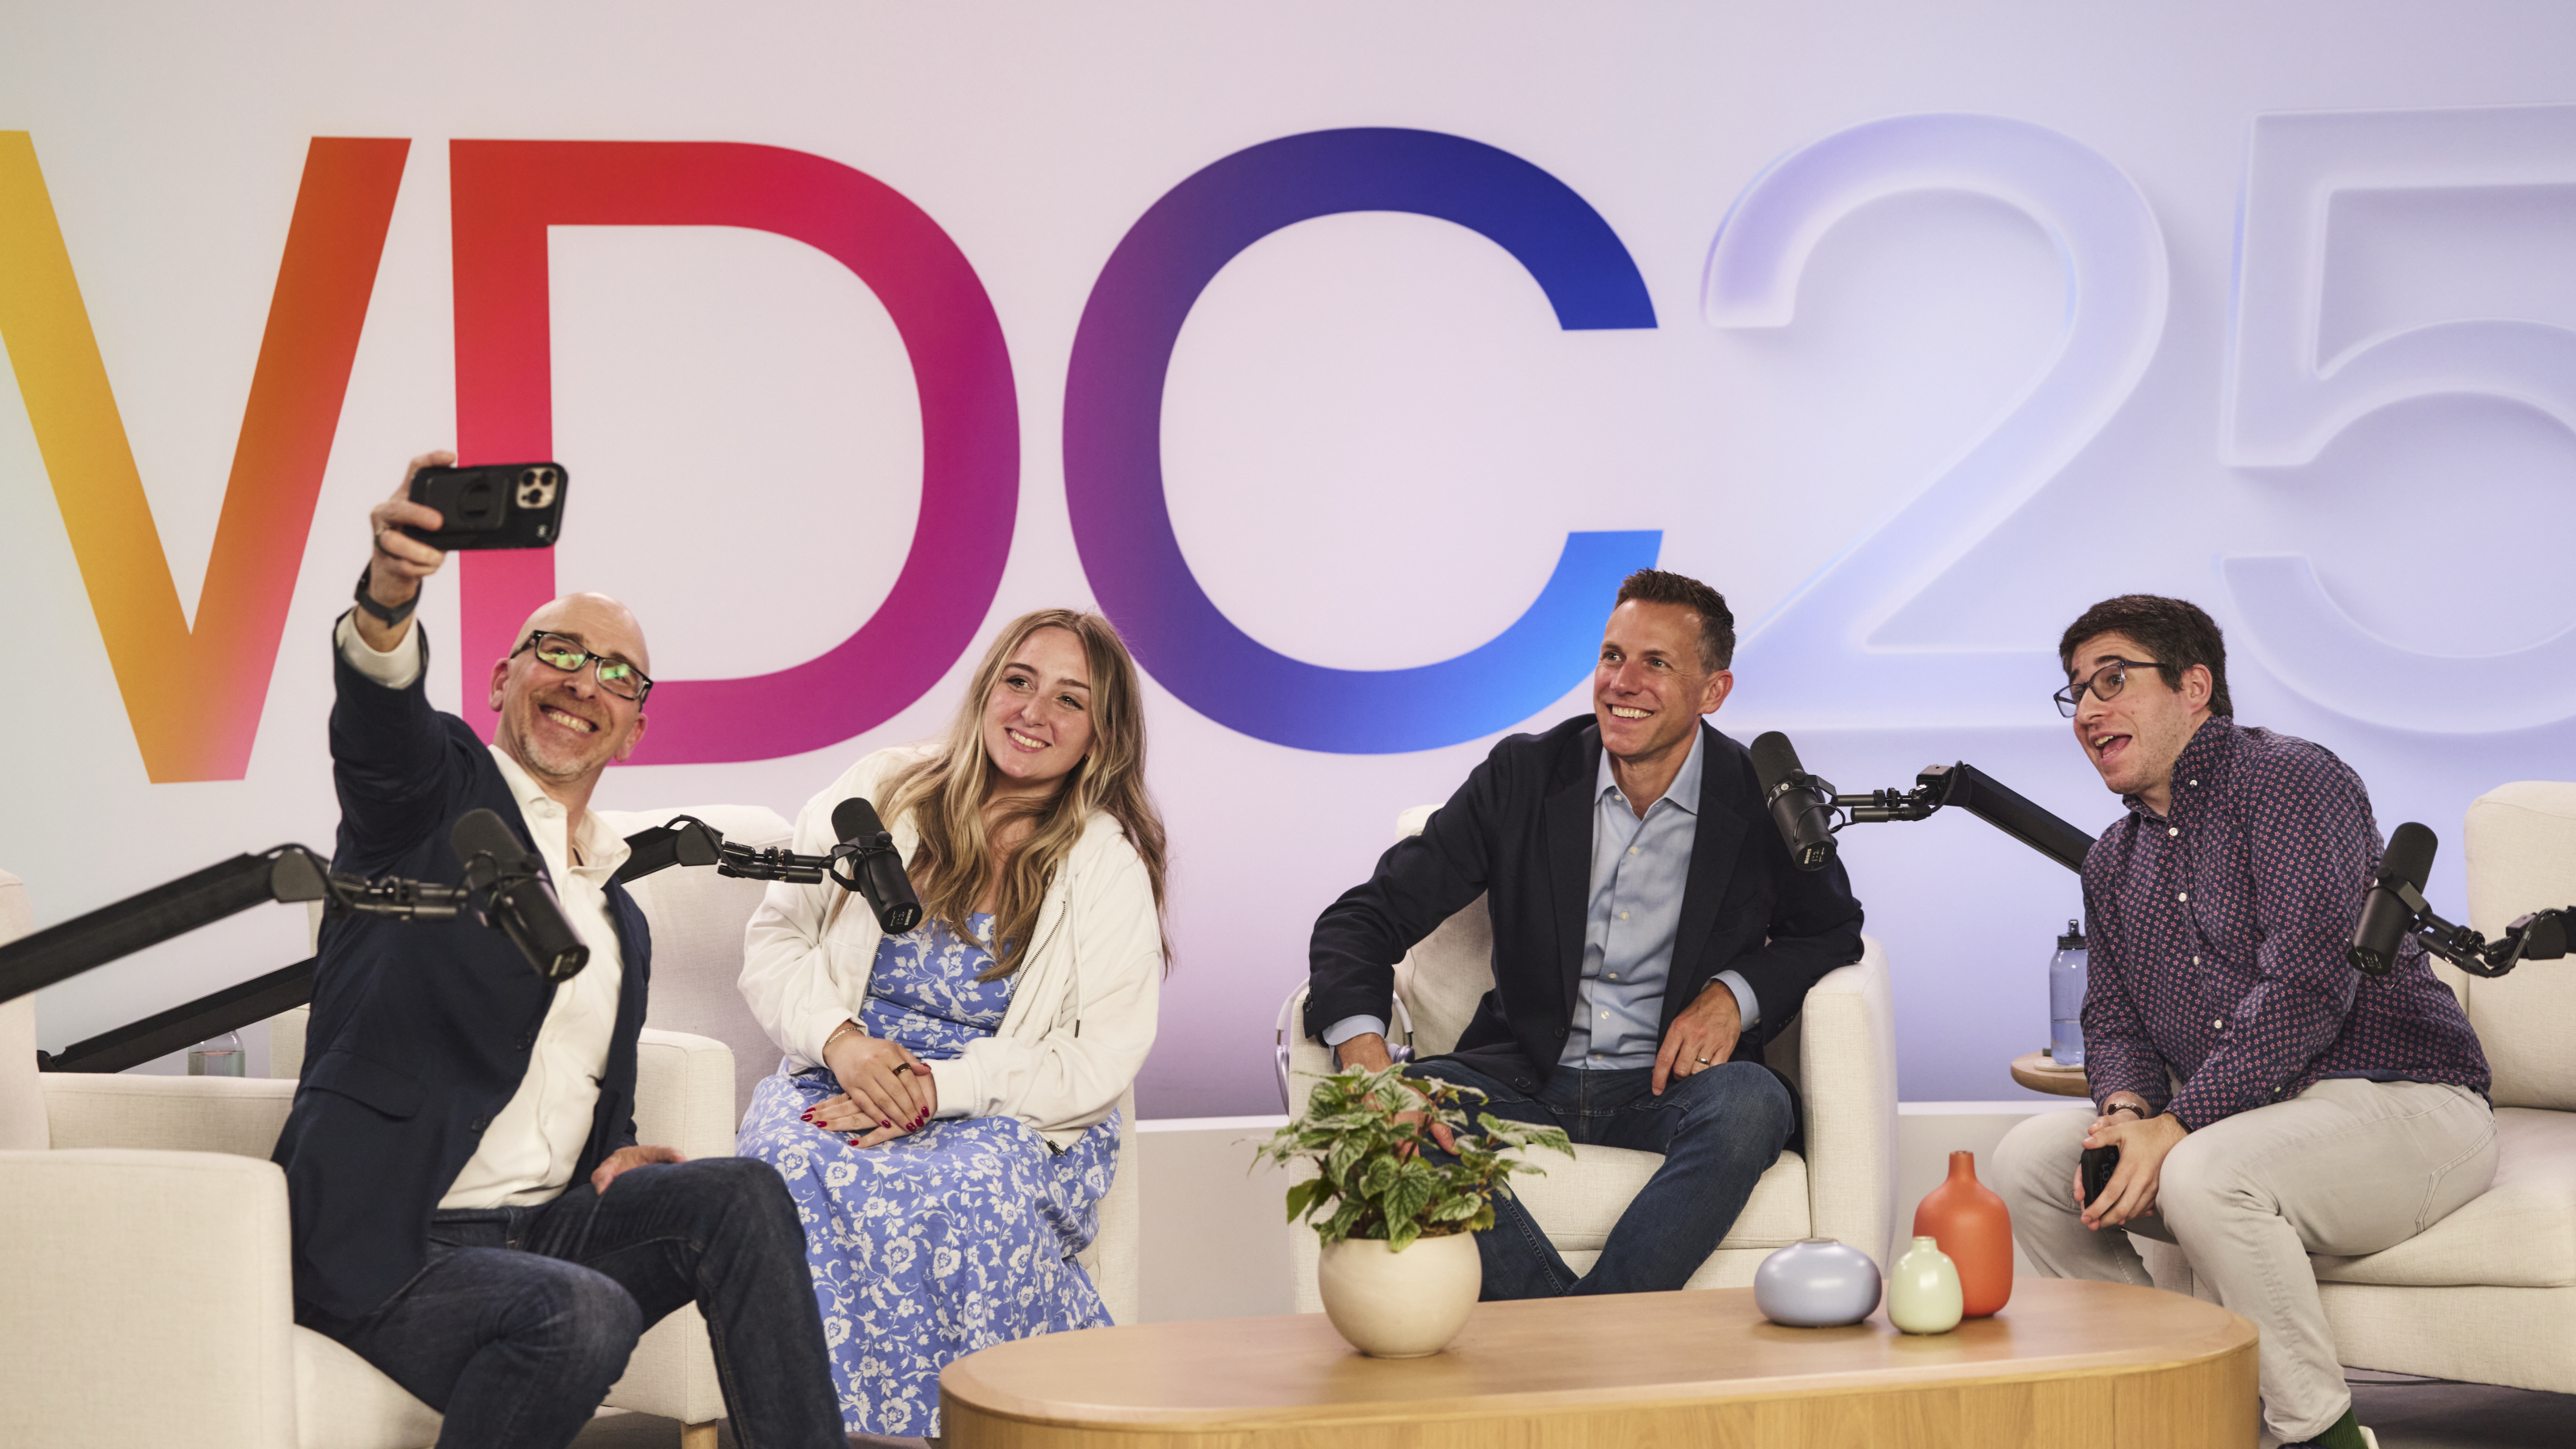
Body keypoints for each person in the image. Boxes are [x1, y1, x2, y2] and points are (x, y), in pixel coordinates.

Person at [270, 451, 841, 1449]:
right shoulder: (439, 799)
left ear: (634, 729)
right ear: (505, 677)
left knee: (742, 1193)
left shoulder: (620, 916)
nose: (585, 680)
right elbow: (378, 726)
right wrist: (388, 600)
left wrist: (617, 1151)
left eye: (618, 674)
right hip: (390, 1241)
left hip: (546, 1229)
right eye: (560, 651)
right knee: (578, 1310)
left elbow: (572, 1087)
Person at [1993, 595, 2494, 1449]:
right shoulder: (2112, 861)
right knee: (2030, 1163)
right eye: (2076, 690)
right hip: (2251, 1119)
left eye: (2112, 680)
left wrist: (2177, 1124)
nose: (2087, 710)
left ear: (2195, 686)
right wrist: (2126, 1112)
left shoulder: (2290, 779)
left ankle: (2325, 1437)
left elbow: (2308, 984)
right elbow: (2114, 1021)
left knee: (2202, 1172)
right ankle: (2173, 1405)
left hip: (2405, 1101)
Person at [1304, 568, 1865, 1299]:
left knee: (1754, 1104)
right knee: (1387, 1125)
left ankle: (1564, 1333)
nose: (1622, 682)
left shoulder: (1760, 797)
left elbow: (1832, 929)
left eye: (1655, 663)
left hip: (1667, 1088)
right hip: (1522, 1077)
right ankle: (1593, 1331)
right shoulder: (1523, 776)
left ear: (1713, 691)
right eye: (1611, 656)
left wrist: (1734, 994)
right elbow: (1363, 917)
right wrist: (1367, 1060)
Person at [736, 607, 1168, 1439]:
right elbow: (777, 940)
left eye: (1070, 699)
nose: (1033, 711)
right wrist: (844, 1045)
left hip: (1005, 1105)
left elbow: (1099, 1056)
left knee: (973, 1190)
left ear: (1101, 734)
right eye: (1019, 680)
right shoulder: (880, 791)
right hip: (841, 1072)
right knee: (782, 1168)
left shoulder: (1104, 861)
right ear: (985, 688)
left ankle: (972, 1427)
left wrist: (936, 1088)